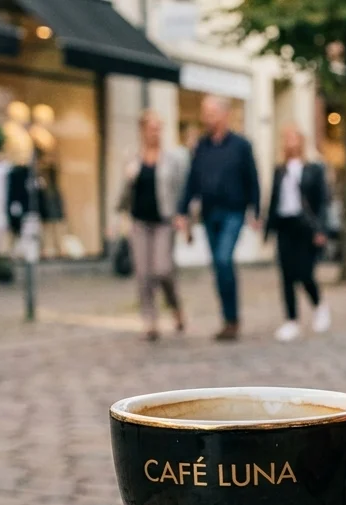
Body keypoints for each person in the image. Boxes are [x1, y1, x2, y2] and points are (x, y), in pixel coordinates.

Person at [174, 96, 260, 342]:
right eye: (204, 113)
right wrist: (182, 212)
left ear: (224, 115)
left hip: (234, 212)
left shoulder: (241, 146)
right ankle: (228, 319)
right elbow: (192, 182)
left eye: (210, 113)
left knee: (223, 260)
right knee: (218, 266)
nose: (206, 118)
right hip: (209, 213)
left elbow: (252, 179)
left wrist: (256, 210)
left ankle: (232, 318)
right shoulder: (202, 147)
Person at [118, 111, 189, 341]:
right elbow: (123, 196)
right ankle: (150, 321)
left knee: (163, 269)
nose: (155, 132)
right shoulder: (133, 158)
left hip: (163, 222)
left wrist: (182, 216)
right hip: (139, 222)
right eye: (152, 127)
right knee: (143, 274)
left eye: (159, 127)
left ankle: (175, 305)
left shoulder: (172, 160)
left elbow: (180, 190)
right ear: (143, 130)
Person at [264, 126, 331, 343]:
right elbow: (274, 200)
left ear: (301, 141)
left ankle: (319, 305)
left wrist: (320, 229)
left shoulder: (313, 168)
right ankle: (291, 320)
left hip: (306, 226)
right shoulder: (279, 169)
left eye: (292, 138)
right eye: (285, 138)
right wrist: (267, 229)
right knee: (286, 275)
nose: (288, 142)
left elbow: (322, 202)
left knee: (304, 272)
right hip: (285, 224)